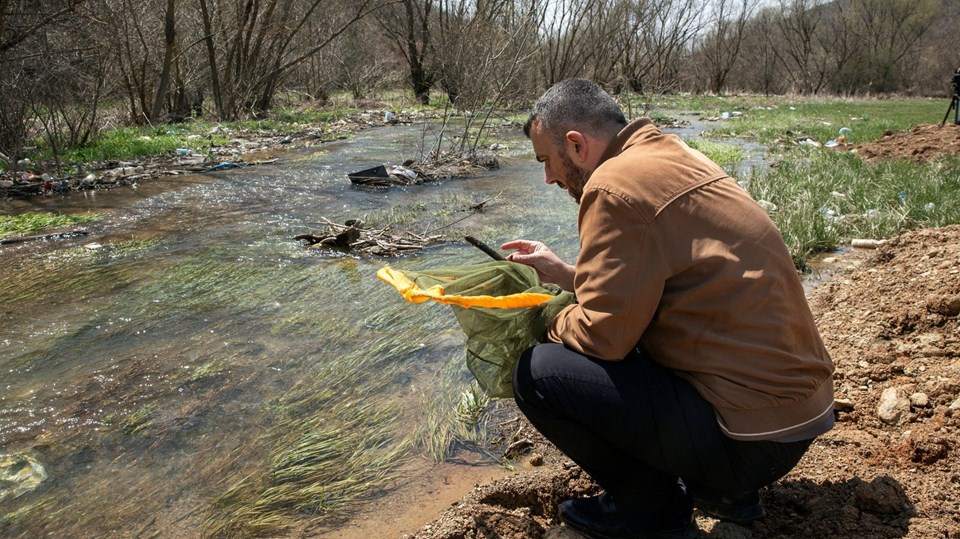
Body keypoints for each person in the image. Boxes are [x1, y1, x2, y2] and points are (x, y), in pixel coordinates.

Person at [501, 79, 835, 539]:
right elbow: (658, 281)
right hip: (792, 421)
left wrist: (546, 316)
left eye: (546, 161)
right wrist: (564, 274)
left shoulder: (611, 187)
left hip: (746, 443)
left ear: (575, 145)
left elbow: (603, 337)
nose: (549, 179)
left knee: (537, 373)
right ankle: (727, 494)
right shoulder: (668, 154)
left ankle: (650, 510)